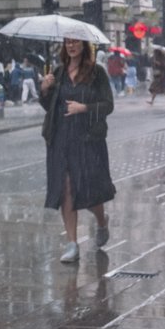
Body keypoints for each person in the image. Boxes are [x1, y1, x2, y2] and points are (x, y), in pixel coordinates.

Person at [40, 38, 115, 262]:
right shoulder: (58, 72)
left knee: (89, 192)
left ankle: (102, 221)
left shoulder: (96, 72)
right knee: (66, 188)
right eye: (67, 42)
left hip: (88, 138)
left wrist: (84, 108)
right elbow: (50, 106)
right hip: (61, 137)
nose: (71, 46)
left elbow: (108, 105)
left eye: (75, 42)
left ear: (84, 46)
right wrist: (45, 89)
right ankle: (72, 244)